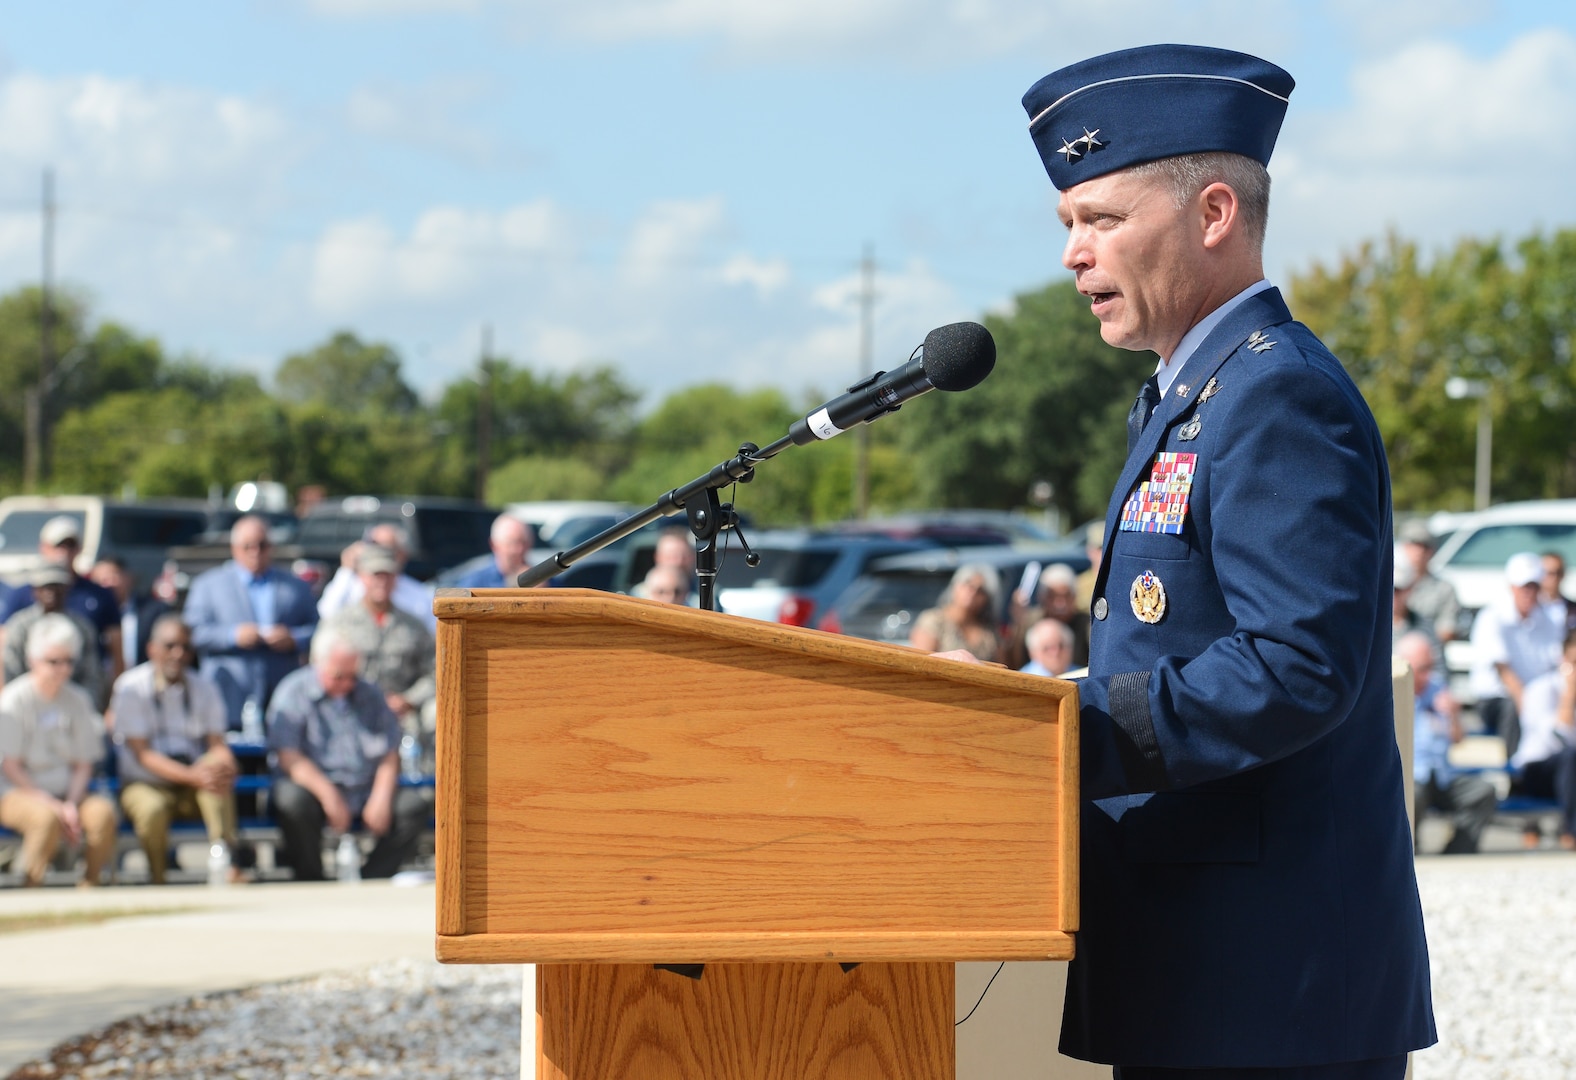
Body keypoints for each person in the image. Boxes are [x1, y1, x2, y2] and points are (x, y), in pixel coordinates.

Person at [1016, 44, 1434, 1075]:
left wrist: (1066, 727)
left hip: (1268, 983)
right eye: (1068, 225)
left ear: (1211, 215)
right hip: (1197, 967)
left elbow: (1298, 664)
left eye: (1102, 220)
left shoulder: (1274, 395)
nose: (1074, 255)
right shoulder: (1185, 397)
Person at [266, 628, 427, 880]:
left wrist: (381, 797)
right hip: (316, 789)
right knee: (291, 800)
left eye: (352, 676)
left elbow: (389, 752)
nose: (346, 684)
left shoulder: (370, 693)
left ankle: (374, 876)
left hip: (363, 788)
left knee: (414, 806)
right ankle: (311, 877)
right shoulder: (293, 692)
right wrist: (328, 794)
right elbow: (289, 756)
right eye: (338, 676)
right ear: (317, 663)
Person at [110, 614, 243, 884]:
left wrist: (226, 765)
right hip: (145, 782)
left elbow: (216, 744)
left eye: (185, 647)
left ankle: (226, 862)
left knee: (216, 776)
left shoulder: (204, 687)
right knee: (151, 810)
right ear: (152, 649)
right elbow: (143, 754)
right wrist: (194, 775)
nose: (178, 654)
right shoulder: (130, 687)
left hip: (193, 781)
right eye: (170, 646)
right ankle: (158, 878)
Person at [0, 613, 117, 886]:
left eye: (68, 661)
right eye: (54, 661)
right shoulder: (13, 701)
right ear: (33, 661)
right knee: (45, 819)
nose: (62, 669)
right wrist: (55, 806)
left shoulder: (79, 699)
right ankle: (32, 887)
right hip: (18, 792)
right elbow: (11, 766)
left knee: (102, 814)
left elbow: (83, 764)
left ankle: (91, 885)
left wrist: (71, 805)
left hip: (69, 792)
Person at [183, 515, 318, 730]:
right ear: (234, 548)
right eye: (248, 546)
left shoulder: (295, 587)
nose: (255, 552)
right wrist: (232, 636)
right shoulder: (209, 585)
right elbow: (192, 632)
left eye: (261, 545)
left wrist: (293, 639)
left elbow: (318, 630)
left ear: (271, 547)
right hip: (227, 691)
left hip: (281, 691)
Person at [1396, 631, 1495, 854]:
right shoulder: (1392, 692)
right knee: (1411, 795)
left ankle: (1458, 850)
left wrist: (1453, 716)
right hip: (1410, 775)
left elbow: (1459, 739)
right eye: (1421, 668)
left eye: (1430, 667)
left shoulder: (1438, 687)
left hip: (1442, 775)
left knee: (1484, 791)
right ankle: (1408, 851)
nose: (1427, 674)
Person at [319, 545, 435, 732]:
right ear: (361, 577)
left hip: (402, 714)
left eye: (388, 575)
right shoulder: (339, 623)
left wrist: (409, 699)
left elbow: (434, 671)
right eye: (376, 575)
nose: (382, 581)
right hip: (352, 709)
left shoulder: (414, 626)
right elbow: (322, 670)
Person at [0, 515, 124, 687]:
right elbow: (7, 654)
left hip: (75, 694)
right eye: (59, 545)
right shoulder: (21, 603)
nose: (64, 551)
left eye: (70, 545)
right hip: (28, 696)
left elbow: (105, 659)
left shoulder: (93, 603)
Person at [1469, 551, 1564, 758]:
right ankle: (1517, 772)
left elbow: (1556, 666)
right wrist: (1532, 709)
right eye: (1524, 586)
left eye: (1534, 586)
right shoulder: (1492, 617)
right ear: (1512, 586)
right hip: (1498, 699)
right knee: (1513, 707)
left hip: (1535, 696)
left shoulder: (1549, 618)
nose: (1529, 592)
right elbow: (1505, 673)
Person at [3, 564, 105, 707]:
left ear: (67, 590)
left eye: (58, 587)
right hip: (28, 705)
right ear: (35, 591)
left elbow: (91, 675)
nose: (52, 592)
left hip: (72, 705)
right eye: (46, 587)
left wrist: (87, 707)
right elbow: (11, 671)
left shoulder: (82, 627)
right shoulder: (20, 626)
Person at [316, 523, 437, 633]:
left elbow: (431, 634)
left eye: (385, 549)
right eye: (372, 546)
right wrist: (346, 570)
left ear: (402, 554)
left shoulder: (419, 595)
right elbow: (327, 612)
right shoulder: (354, 584)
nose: (378, 554)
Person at [90, 557, 172, 671]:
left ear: (128, 578)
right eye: (101, 580)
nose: (107, 585)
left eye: (112, 577)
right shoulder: (90, 616)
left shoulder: (154, 610)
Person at [908, 564, 1001, 663]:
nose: (972, 593)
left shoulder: (989, 632)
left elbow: (1004, 668)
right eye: (968, 585)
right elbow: (921, 662)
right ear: (955, 586)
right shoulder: (933, 621)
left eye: (980, 590)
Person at [1004, 562, 1090, 670]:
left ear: (1074, 597)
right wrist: (1017, 623)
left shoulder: (1086, 624)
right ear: (1042, 598)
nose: (1060, 604)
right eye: (1053, 596)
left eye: (1066, 596)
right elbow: (1014, 660)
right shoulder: (1030, 621)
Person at [1397, 520, 1461, 642]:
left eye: (1424, 546)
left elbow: (1448, 630)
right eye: (1413, 544)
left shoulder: (1444, 588)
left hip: (1428, 655)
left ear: (1432, 550)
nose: (1419, 551)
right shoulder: (1390, 585)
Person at [454, 514, 534, 589]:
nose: (519, 549)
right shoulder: (475, 583)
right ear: (494, 545)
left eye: (524, 542)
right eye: (512, 543)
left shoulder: (542, 579)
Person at [1540, 551, 1576, 633]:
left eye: (1558, 572)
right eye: (1549, 573)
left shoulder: (1573, 609)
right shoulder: (1529, 609)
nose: (1554, 578)